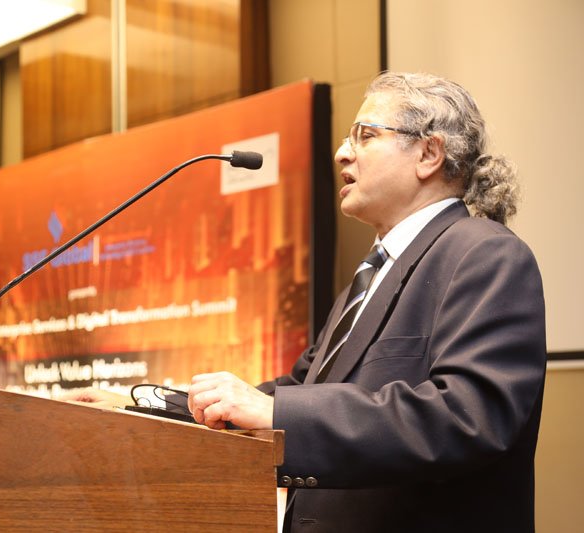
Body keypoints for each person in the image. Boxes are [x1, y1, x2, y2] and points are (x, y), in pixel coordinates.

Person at [187, 71, 546, 532]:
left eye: (366, 135)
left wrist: (277, 414)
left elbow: (467, 416)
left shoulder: (486, 253)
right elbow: (298, 391)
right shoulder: (371, 275)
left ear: (429, 153)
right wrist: (152, 404)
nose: (342, 152)